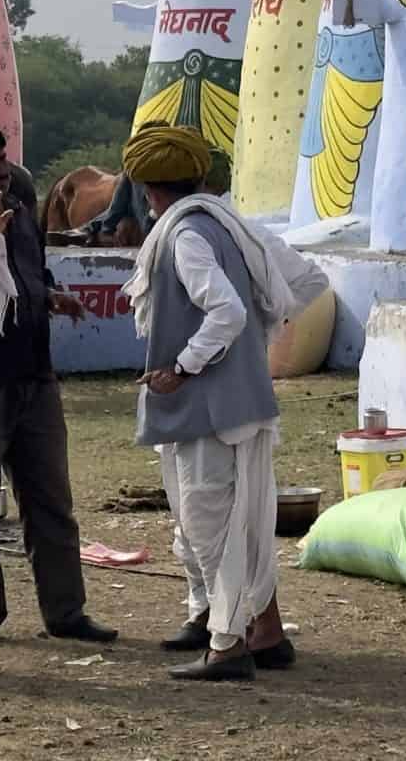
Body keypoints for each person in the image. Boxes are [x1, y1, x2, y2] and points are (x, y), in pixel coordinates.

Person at [121, 123, 328, 682]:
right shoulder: (230, 224)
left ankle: (227, 645)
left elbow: (228, 311)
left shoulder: (184, 235)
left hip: (206, 406)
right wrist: (251, 351)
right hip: (235, 403)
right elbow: (306, 282)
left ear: (147, 188)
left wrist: (188, 364)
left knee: (212, 527)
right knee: (240, 525)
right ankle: (264, 634)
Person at [0, 123, 117, 648]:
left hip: (34, 373)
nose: (0, 171)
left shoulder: (17, 207)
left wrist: (53, 295)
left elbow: (30, 270)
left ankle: (66, 612)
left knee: (50, 500)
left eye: (1, 160)